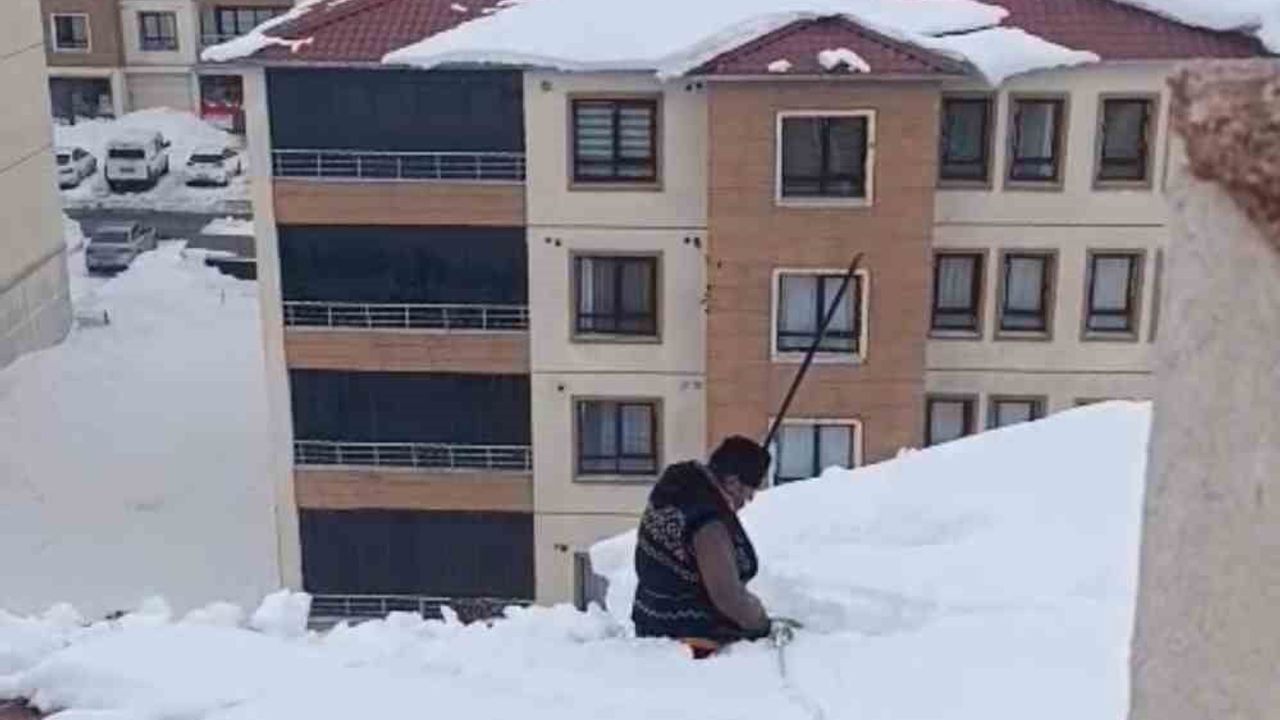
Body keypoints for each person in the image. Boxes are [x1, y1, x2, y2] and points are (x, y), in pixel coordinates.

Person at [631, 435, 778, 658]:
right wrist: (761, 623)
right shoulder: (708, 524)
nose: (748, 501)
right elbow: (727, 597)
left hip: (648, 612)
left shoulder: (681, 481)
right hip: (687, 633)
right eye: (749, 492)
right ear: (732, 482)